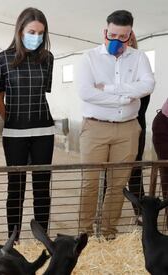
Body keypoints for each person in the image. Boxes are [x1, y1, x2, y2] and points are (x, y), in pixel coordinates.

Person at [77, 10, 155, 239]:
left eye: (123, 36)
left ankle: (108, 231)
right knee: (90, 182)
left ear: (130, 35)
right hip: (95, 127)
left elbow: (148, 84)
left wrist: (110, 89)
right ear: (105, 32)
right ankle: (84, 232)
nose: (117, 41)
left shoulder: (139, 58)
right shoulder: (89, 58)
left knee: (118, 183)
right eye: (113, 35)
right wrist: (124, 97)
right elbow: (86, 93)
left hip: (128, 128)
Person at [0, 7, 55, 240]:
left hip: (43, 129)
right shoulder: (3, 58)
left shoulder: (47, 58)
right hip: (14, 132)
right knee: (15, 187)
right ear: (20, 30)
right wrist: (10, 120)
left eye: (41, 33)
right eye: (32, 31)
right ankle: (14, 237)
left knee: (41, 187)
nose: (36, 37)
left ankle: (42, 237)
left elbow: (44, 91)